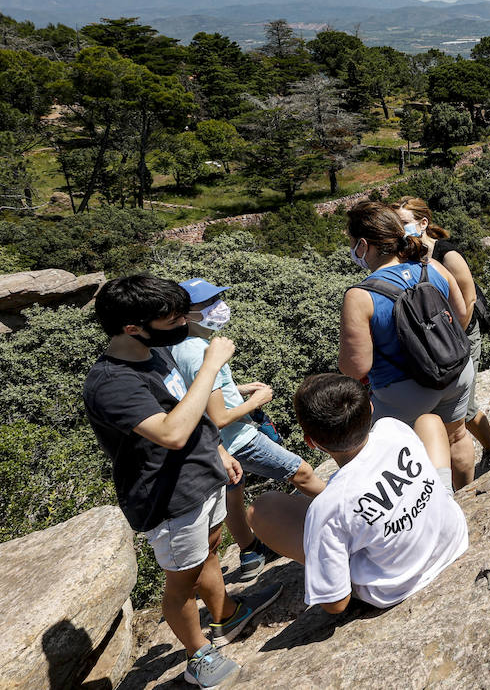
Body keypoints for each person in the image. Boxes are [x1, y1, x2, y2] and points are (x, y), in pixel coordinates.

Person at [83, 275, 281, 689]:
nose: (183, 326)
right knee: (181, 581)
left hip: (199, 475)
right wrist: (211, 364)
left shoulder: (152, 353)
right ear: (132, 327)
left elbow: (186, 406)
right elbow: (171, 432)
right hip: (168, 496)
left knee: (209, 552)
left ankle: (227, 614)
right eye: (172, 321)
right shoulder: (113, 383)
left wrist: (219, 452)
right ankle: (197, 656)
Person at [248, 374, 468, 614]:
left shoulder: (329, 505)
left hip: (394, 586)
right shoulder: (392, 427)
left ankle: (337, 567)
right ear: (371, 409)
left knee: (262, 508)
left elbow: (336, 604)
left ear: (311, 442)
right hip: (453, 535)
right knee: (429, 421)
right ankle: (442, 496)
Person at [170, 277, 328, 579]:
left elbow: (200, 393)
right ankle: (353, 515)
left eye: (216, 300)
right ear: (184, 315)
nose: (217, 307)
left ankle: (251, 552)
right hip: (237, 438)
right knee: (301, 471)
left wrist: (236, 388)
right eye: (206, 304)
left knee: (233, 494)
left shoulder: (182, 347)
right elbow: (219, 417)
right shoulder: (200, 352)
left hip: (213, 446)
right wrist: (257, 401)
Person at [338, 202, 477, 487]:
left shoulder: (360, 296)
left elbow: (356, 367)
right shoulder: (432, 266)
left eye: (352, 243)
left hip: (404, 393)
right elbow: (462, 314)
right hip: (456, 373)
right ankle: (466, 501)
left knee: (405, 457)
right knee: (457, 436)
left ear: (363, 245)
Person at [393, 197, 490, 468]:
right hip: (434, 337)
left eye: (404, 223)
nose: (400, 229)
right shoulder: (408, 252)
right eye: (397, 224)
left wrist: (457, 339)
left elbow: (468, 299)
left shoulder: (447, 254)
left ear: (423, 223)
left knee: (462, 408)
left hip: (462, 334)